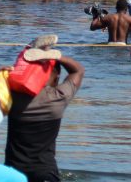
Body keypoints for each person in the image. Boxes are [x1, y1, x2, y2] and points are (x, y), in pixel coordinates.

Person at [5, 44, 84, 182]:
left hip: (12, 172)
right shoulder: (58, 97)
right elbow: (78, 71)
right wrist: (55, 56)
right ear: (55, 76)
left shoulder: (12, 96)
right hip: (45, 173)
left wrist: (1, 74)